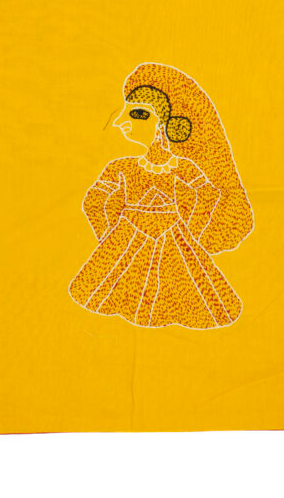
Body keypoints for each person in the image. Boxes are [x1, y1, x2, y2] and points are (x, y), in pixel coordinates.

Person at [69, 63, 254, 329]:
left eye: (138, 114)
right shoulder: (121, 167)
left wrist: (191, 229)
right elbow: (93, 201)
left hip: (172, 235)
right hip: (130, 235)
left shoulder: (182, 167)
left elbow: (210, 193)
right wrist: (110, 235)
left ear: (162, 125)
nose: (121, 122)